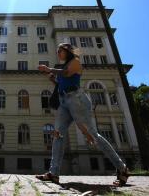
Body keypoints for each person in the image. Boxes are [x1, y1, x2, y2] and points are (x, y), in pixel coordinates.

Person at [35, 43, 129, 186]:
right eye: (58, 50)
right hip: (64, 101)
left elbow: (67, 73)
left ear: (68, 51)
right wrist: (53, 79)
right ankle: (53, 173)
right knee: (58, 134)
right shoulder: (64, 66)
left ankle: (122, 168)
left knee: (93, 134)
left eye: (61, 50)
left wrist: (49, 69)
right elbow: (62, 83)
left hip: (76, 100)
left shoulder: (75, 62)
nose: (58, 52)